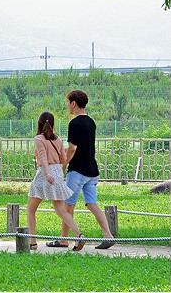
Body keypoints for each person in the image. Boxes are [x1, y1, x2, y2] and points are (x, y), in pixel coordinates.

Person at [46, 90, 115, 250]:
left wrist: (63, 164)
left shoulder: (74, 123)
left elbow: (72, 148)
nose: (67, 105)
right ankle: (108, 235)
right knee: (92, 203)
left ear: (73, 103)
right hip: (92, 170)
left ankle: (65, 239)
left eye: (68, 102)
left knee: (67, 206)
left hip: (77, 171)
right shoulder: (91, 122)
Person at [27, 111, 86, 251]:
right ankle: (79, 235)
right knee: (61, 210)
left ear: (39, 124)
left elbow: (42, 158)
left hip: (44, 174)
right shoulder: (58, 139)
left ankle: (32, 241)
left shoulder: (39, 138)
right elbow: (64, 159)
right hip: (58, 172)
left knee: (30, 209)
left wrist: (47, 173)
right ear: (53, 124)